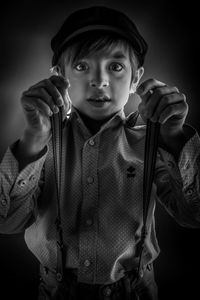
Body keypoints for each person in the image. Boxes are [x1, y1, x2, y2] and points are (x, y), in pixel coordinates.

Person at [0, 5, 200, 300]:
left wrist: (173, 137)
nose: (100, 80)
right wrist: (32, 140)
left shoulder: (150, 144)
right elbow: (7, 222)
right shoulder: (42, 145)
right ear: (58, 77)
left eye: (116, 66)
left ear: (136, 79)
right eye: (82, 66)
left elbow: (193, 215)